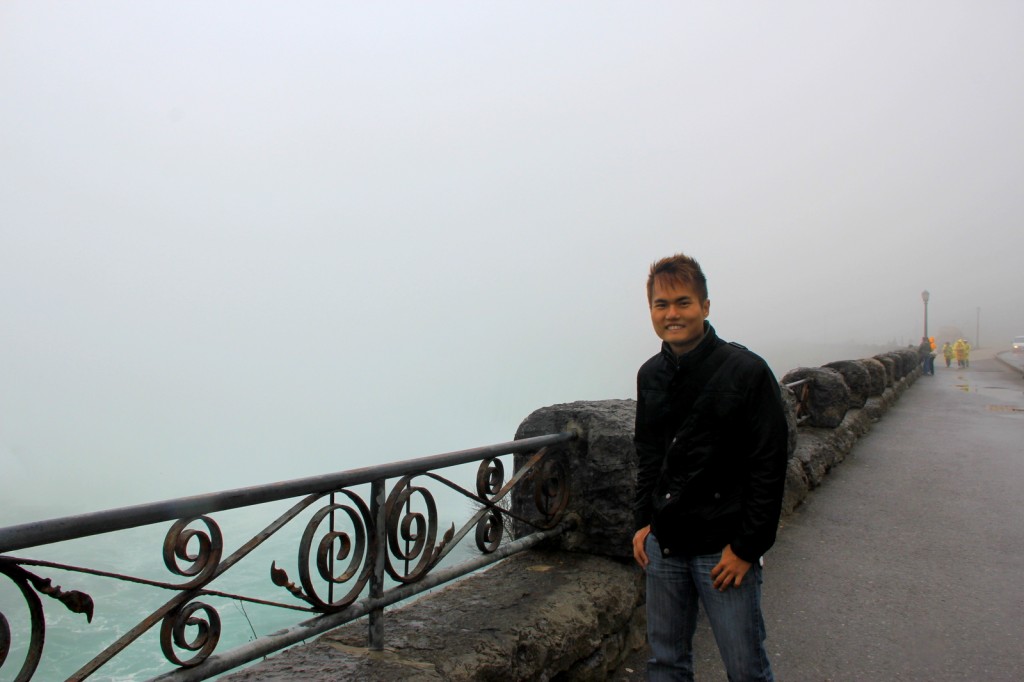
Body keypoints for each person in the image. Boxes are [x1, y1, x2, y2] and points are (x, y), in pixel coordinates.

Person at [632, 253, 789, 681]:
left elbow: (769, 465)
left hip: (722, 549)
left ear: (705, 306)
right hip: (665, 546)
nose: (672, 314)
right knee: (665, 663)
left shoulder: (746, 371)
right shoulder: (651, 375)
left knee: (745, 668)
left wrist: (747, 548)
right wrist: (643, 521)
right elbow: (648, 453)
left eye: (683, 302)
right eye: (661, 305)